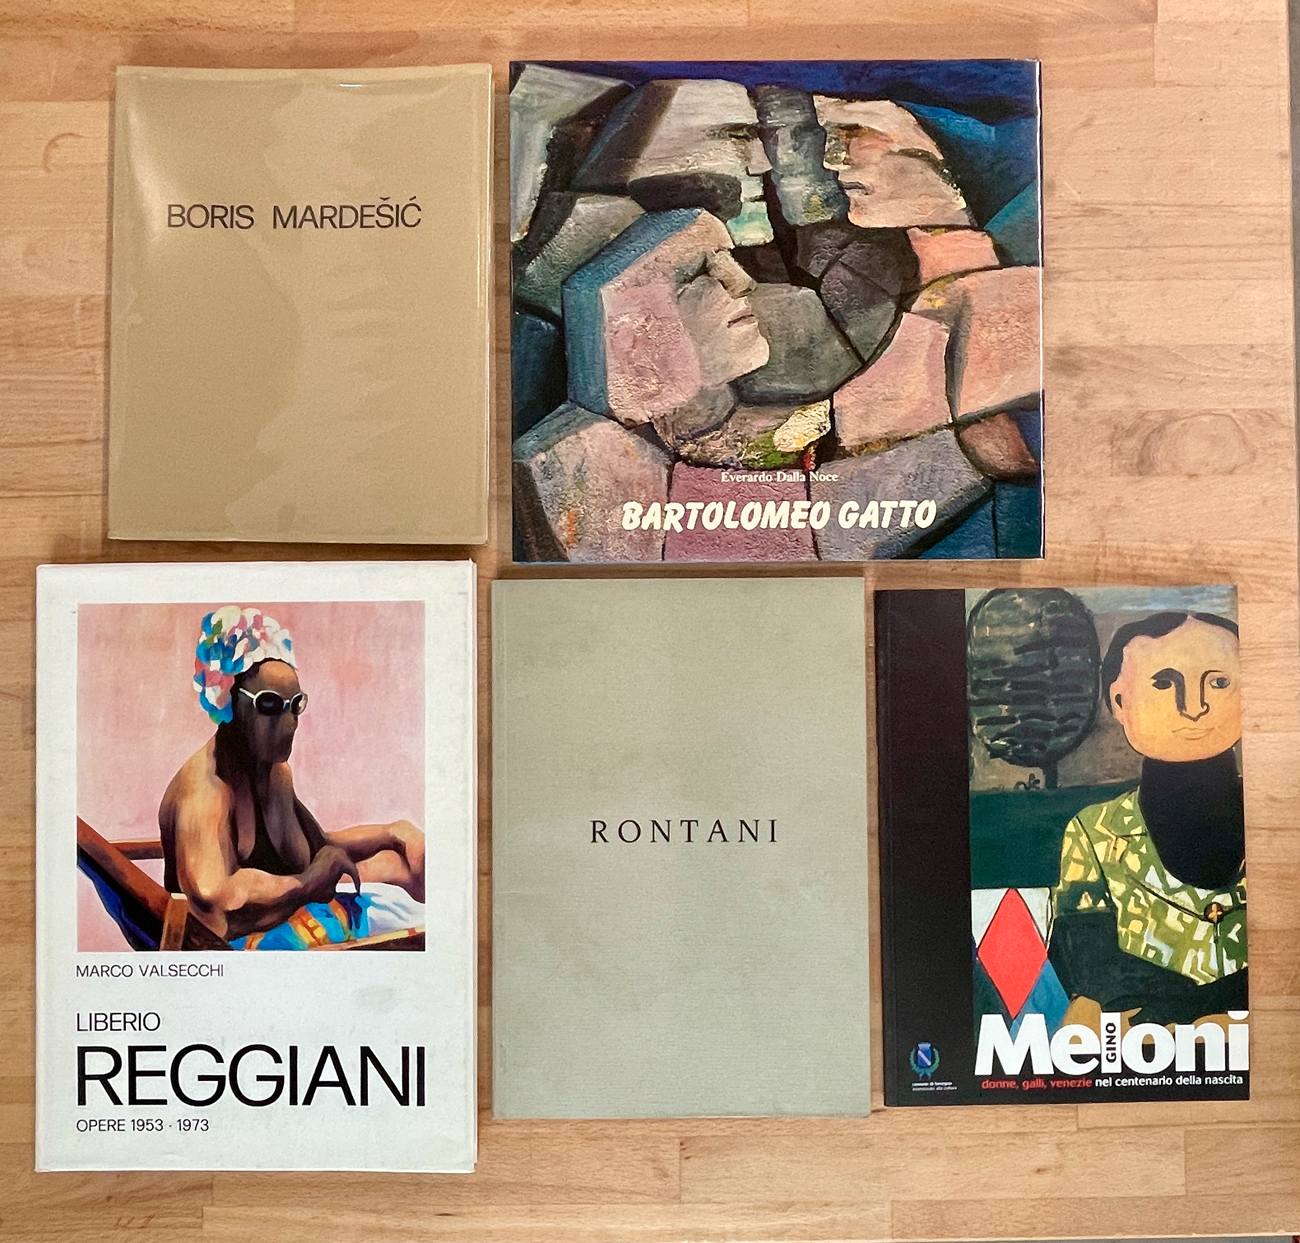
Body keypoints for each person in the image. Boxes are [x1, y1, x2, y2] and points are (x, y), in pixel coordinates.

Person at [158, 606, 425, 949]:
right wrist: (310, 882)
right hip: (226, 950)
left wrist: (393, 833)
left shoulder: (272, 773)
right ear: (228, 702)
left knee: (399, 866)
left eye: (295, 705)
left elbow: (319, 847)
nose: (289, 724)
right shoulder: (205, 790)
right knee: (414, 920)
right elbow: (215, 905)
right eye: (269, 705)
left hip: (281, 919)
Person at [1048, 611, 1246, 1024]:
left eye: (1219, 683)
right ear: (1119, 701)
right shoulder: (1094, 832)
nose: (1194, 707)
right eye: (1164, 683)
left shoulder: (1276, 818)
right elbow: (1091, 965)